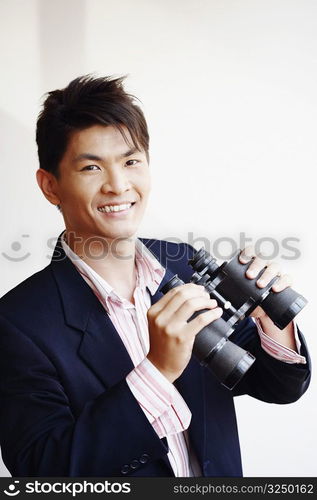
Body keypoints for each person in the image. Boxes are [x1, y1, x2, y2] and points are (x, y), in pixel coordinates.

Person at [0, 75, 311, 477]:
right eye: (92, 167)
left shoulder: (183, 263)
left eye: (131, 162)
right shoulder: (17, 323)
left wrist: (272, 322)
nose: (118, 185)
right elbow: (45, 472)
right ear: (50, 186)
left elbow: (279, 387)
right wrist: (157, 370)